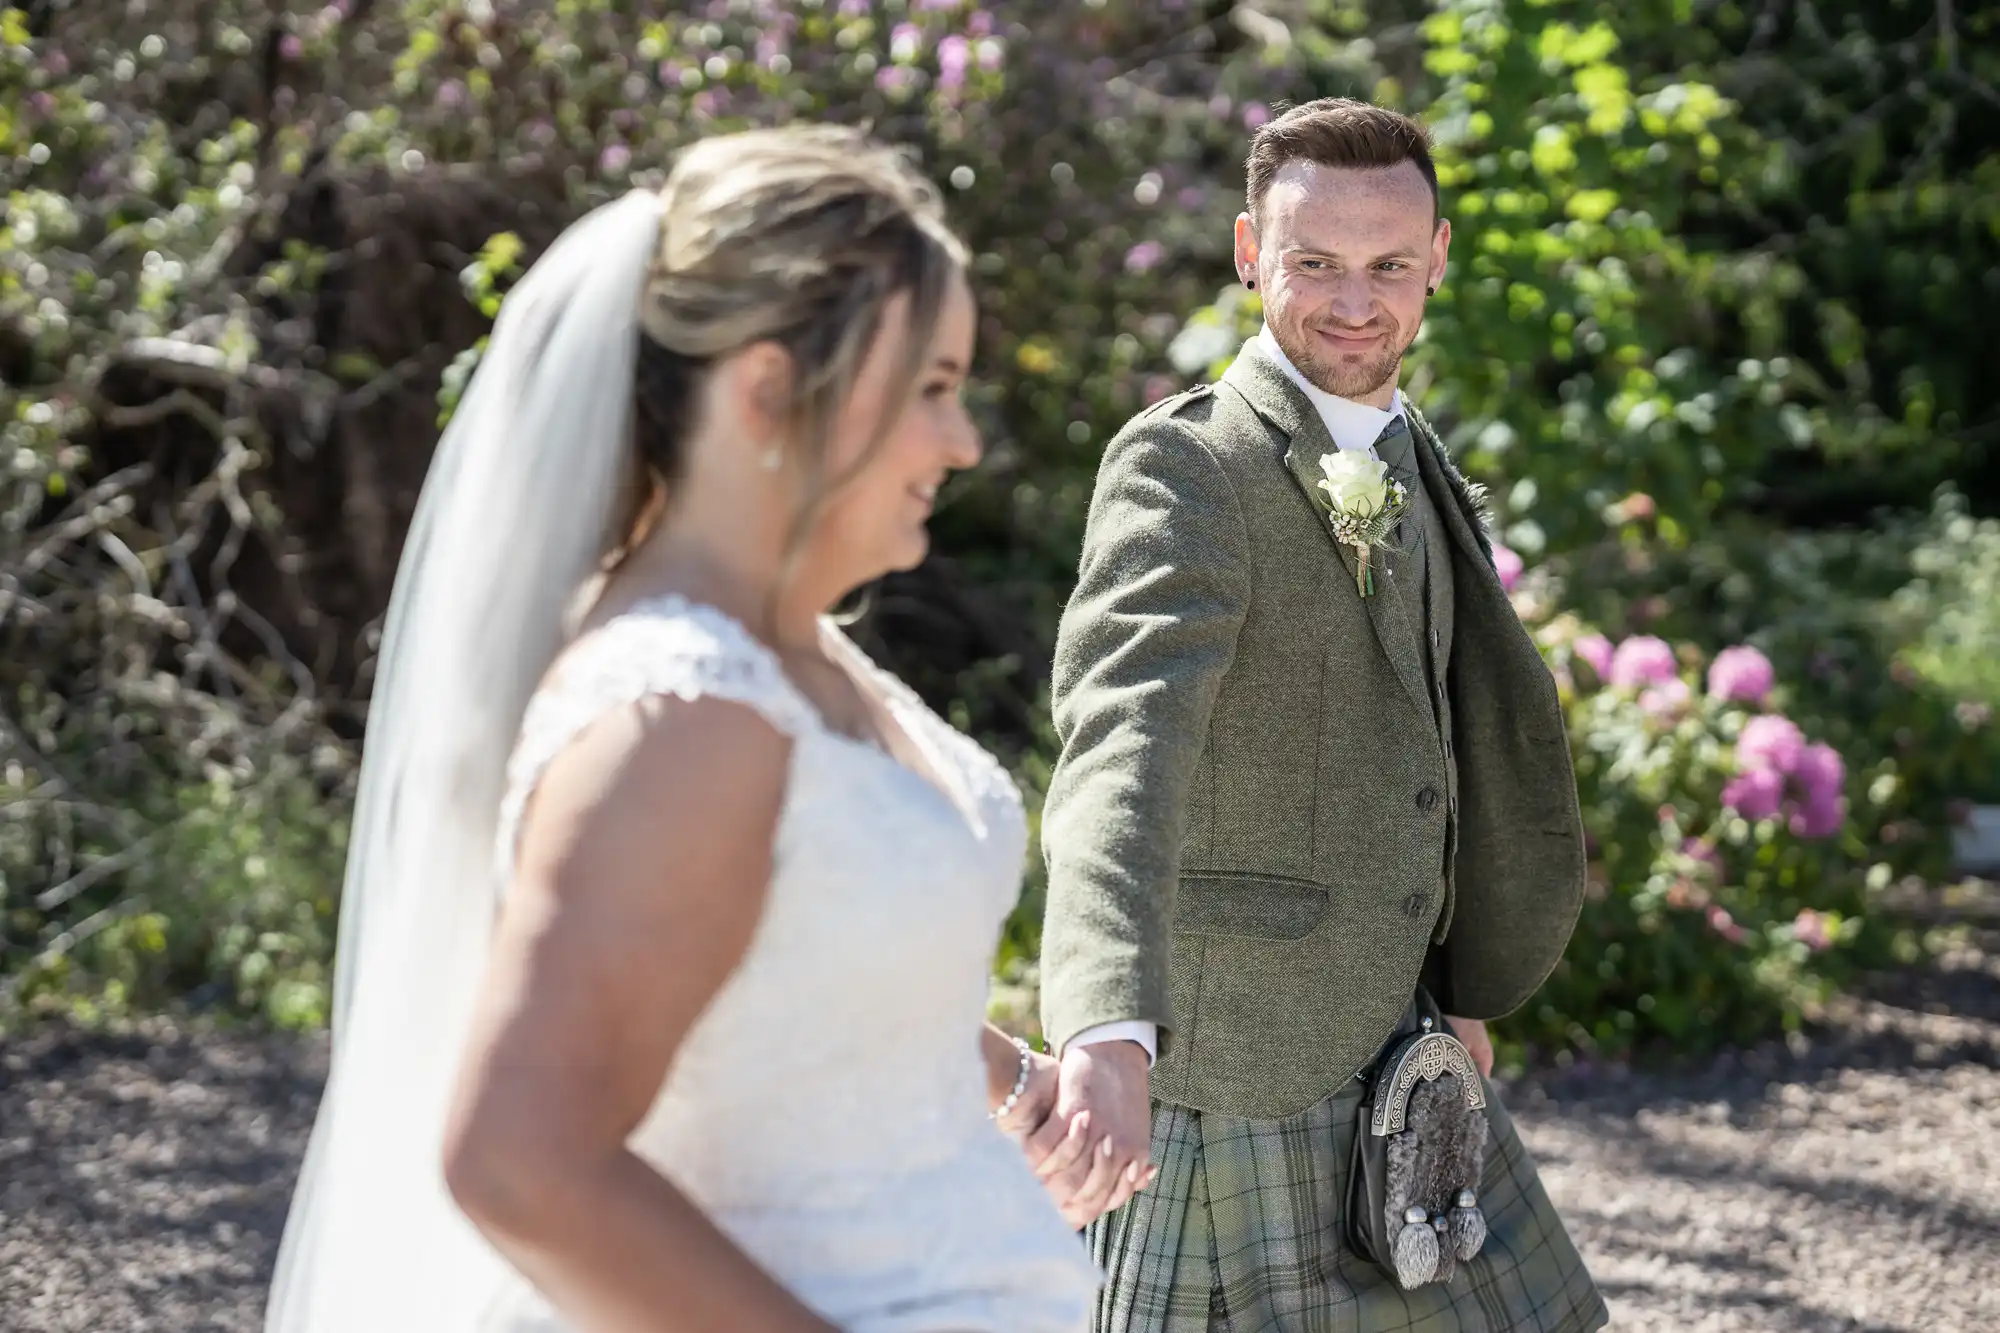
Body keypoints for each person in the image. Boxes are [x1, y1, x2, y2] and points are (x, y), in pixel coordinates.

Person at [263, 125, 1116, 1333]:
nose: (962, 440)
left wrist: (990, 1072)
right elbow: (520, 1159)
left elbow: (778, 960)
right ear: (766, 388)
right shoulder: (678, 713)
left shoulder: (793, 655)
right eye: (930, 388)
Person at [1035, 99, 1610, 1331]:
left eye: (1387, 266)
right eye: (1312, 264)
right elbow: (1121, 745)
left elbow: (1428, 730)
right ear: (1249, 252)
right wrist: (1105, 1024)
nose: (1354, 303)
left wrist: (1454, 979)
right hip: (1229, 1056)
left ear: (1437, 259)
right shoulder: (1187, 465)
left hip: (1399, 1034)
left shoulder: (1412, 450)